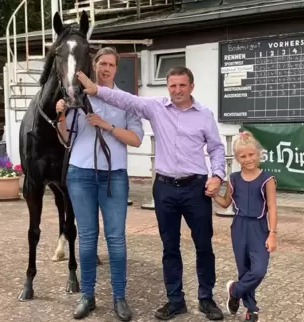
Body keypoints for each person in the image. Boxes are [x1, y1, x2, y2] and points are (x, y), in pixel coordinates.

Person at [76, 66, 226, 321]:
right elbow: (126, 99)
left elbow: (216, 148)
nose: (177, 90)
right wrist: (95, 89)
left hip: (195, 188)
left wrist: (217, 175)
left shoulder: (204, 115)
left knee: (203, 245)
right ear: (168, 87)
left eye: (182, 85)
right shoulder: (156, 107)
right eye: (172, 85)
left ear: (191, 86)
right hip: (165, 187)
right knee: (170, 246)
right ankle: (175, 301)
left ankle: (206, 299)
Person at [56, 47, 144, 321]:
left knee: (116, 239)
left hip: (113, 176)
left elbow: (136, 139)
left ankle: (119, 297)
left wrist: (107, 125)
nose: (106, 69)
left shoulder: (126, 100)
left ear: (116, 69)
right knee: (87, 239)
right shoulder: (76, 97)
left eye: (111, 65)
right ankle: (88, 296)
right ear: (94, 66)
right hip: (80, 174)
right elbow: (65, 137)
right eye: (101, 64)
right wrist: (60, 113)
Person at [210, 131, 278, 322]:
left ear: (258, 154)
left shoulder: (267, 179)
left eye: (251, 154)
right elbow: (225, 202)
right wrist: (213, 194)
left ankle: (235, 290)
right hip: (239, 227)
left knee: (258, 270)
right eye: (243, 156)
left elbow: (272, 207)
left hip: (259, 228)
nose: (248, 159)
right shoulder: (233, 179)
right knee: (245, 269)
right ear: (237, 158)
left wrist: (272, 233)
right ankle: (251, 310)